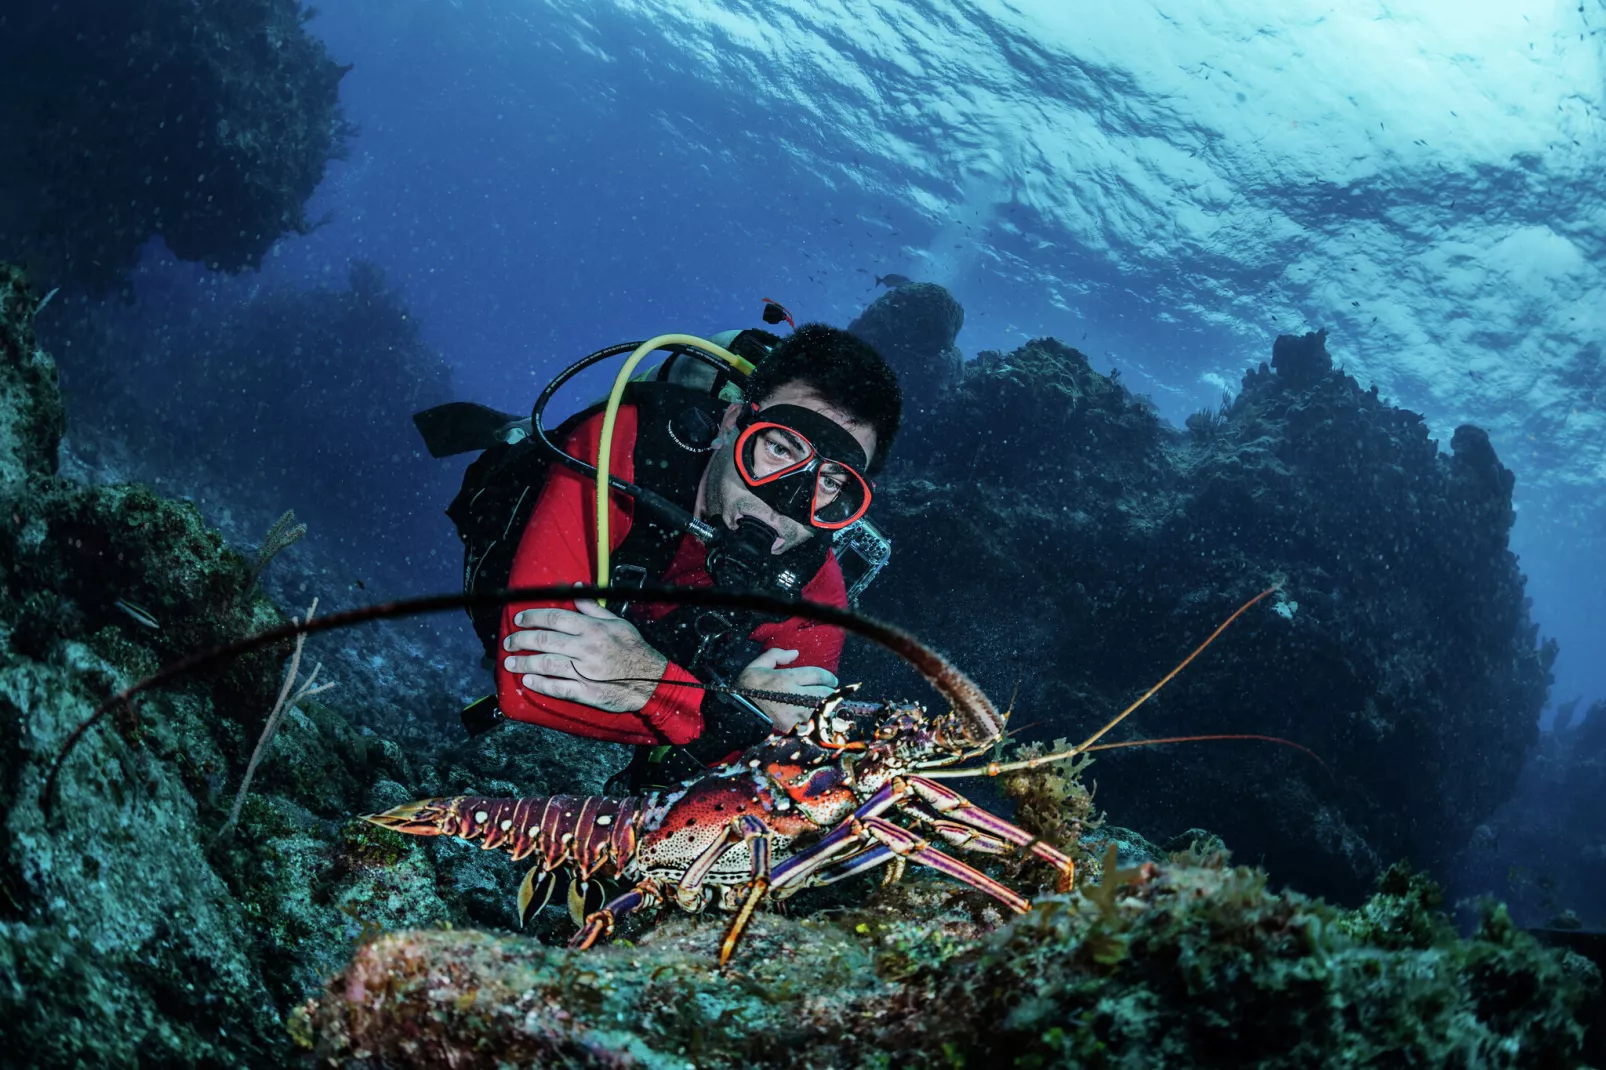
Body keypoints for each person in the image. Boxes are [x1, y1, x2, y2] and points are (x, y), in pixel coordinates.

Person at [496, 324, 902, 791]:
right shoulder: (625, 446)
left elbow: (784, 774)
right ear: (731, 423)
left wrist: (659, 691)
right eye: (778, 448)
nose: (784, 501)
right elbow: (523, 678)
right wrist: (706, 709)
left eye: (831, 482)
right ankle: (510, 434)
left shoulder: (814, 587)